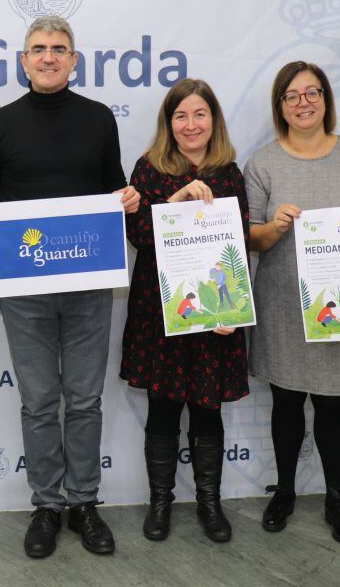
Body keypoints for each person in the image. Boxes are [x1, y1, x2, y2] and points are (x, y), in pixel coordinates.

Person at [0, 16, 140, 558]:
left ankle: (84, 503)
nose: (48, 57)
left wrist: (127, 199)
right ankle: (46, 504)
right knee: (40, 401)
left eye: (58, 49)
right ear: (23, 61)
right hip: (26, 288)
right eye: (38, 49)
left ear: (73, 60)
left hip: (91, 287)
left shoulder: (98, 119)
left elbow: (113, 189)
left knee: (85, 400)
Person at [244, 60, 340, 547]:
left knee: (331, 403)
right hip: (283, 302)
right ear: (280, 106)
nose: (303, 103)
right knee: (285, 400)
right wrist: (274, 227)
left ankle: (335, 496)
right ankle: (284, 490)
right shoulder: (262, 162)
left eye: (312, 93)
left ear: (326, 99)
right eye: (292, 96)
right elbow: (252, 238)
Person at [119, 78, 249, 544]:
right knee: (163, 408)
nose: (191, 124)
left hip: (216, 315)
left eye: (199, 114)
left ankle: (209, 504)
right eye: (181, 116)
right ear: (168, 123)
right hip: (160, 313)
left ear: (213, 121)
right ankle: (160, 503)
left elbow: (238, 244)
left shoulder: (230, 173)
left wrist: (231, 307)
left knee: (207, 408)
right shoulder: (148, 169)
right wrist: (172, 203)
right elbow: (137, 236)